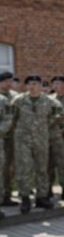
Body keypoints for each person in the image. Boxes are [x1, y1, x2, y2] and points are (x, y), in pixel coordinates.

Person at [11, 75, 64, 213]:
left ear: (41, 85)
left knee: (42, 169)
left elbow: (59, 115)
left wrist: (46, 125)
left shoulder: (49, 102)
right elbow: (11, 119)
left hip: (41, 140)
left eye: (35, 83)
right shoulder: (18, 101)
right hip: (23, 141)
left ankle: (42, 197)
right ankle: (25, 198)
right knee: (24, 169)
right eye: (29, 84)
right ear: (26, 86)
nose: (32, 86)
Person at [0, 71, 16, 207]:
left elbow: (9, 120)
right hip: (2, 138)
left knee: (10, 168)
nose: (9, 84)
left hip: (12, 138)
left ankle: (7, 195)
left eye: (11, 81)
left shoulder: (15, 97)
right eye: (6, 81)